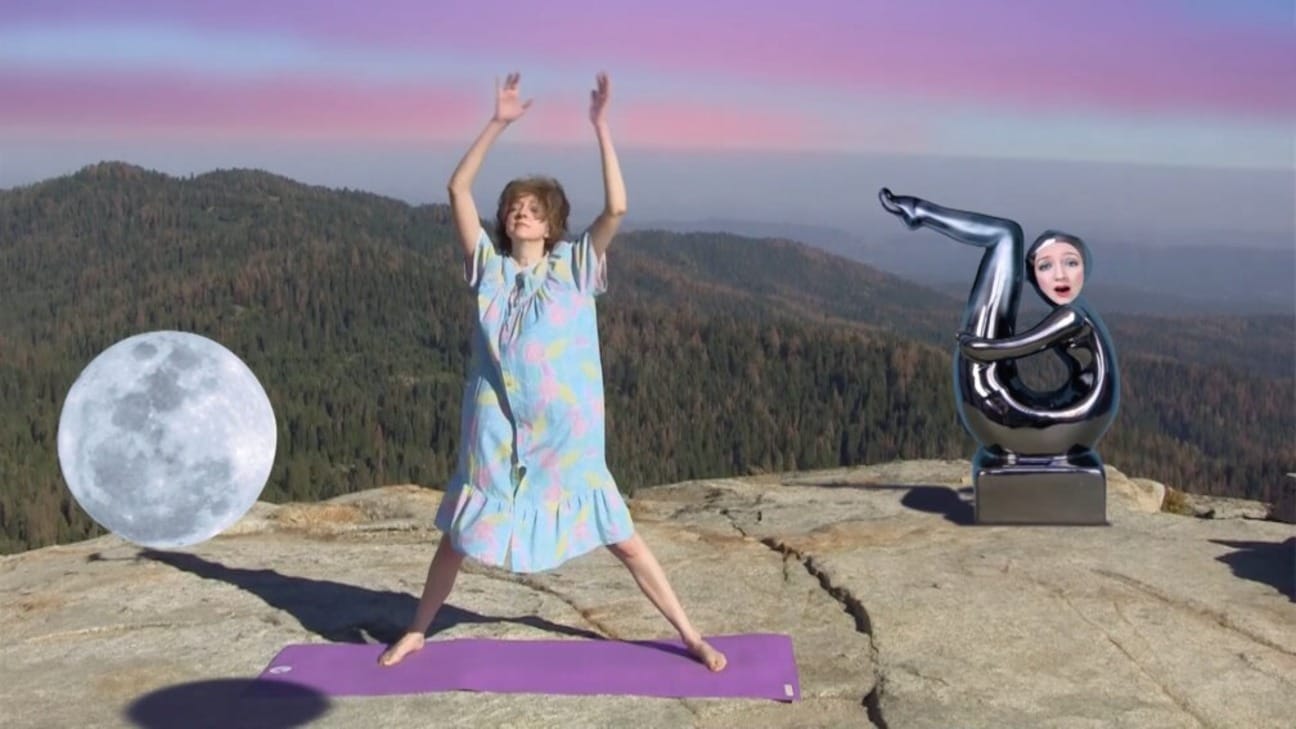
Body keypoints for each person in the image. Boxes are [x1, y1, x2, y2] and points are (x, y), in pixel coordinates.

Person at [378, 72, 726, 672]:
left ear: (551, 224)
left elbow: (617, 206)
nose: (520, 213)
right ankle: (417, 631)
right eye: (514, 206)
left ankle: (691, 635)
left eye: (533, 210)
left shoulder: (575, 269)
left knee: (622, 539)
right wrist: (498, 123)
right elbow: (457, 189)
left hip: (567, 438)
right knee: (459, 538)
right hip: (495, 433)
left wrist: (601, 126)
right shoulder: (486, 270)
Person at [877, 188, 1119, 466]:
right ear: (1033, 279)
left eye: (1071, 263)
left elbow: (1020, 346)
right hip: (1069, 423)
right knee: (1007, 236)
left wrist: (980, 348)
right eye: (1045, 267)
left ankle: (921, 212)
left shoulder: (1071, 318)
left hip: (1021, 420)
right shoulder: (1079, 311)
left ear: (1085, 268)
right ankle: (921, 212)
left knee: (1007, 236)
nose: (1060, 275)